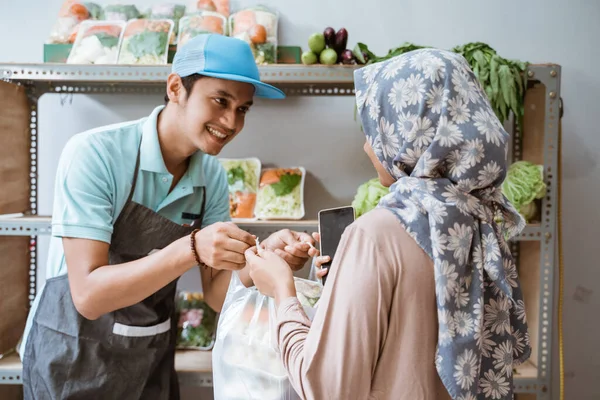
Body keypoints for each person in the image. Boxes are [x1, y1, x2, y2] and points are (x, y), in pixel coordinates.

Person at [19, 33, 320, 399]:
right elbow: (88, 295)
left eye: (242, 108)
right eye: (220, 100)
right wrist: (191, 248)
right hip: (71, 357)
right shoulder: (95, 155)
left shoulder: (211, 176)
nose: (231, 121)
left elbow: (217, 292)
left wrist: (267, 257)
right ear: (176, 88)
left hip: (147, 359)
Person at [245, 48, 532, 400]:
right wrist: (345, 284)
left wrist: (281, 292)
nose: (368, 146)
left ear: (409, 132)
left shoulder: (375, 235)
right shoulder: (479, 219)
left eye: (375, 126)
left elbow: (327, 388)